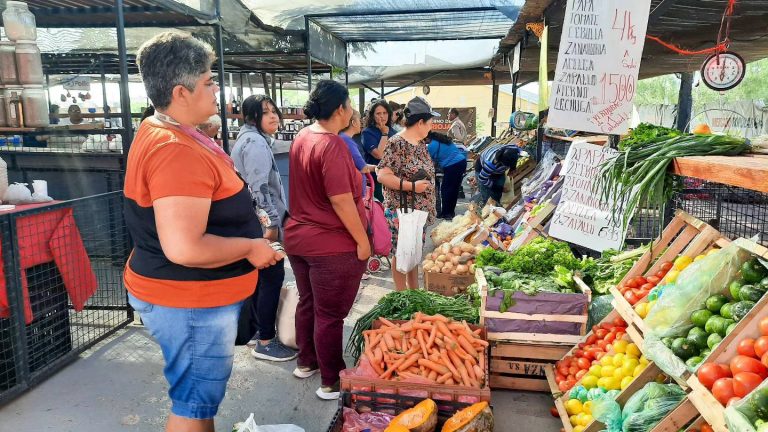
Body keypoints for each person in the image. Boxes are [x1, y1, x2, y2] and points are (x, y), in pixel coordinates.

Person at [124, 31, 283, 432]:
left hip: (186, 295)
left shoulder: (169, 129)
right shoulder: (174, 149)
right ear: (181, 92)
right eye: (210, 81)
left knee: (196, 401)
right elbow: (184, 247)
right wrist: (249, 246)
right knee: (193, 404)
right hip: (189, 299)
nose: (217, 90)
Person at [284, 80, 370, 400]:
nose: (351, 111)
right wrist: (362, 240)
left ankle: (306, 362)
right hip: (329, 245)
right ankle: (331, 380)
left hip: (299, 239)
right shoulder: (331, 144)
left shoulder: (303, 136)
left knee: (310, 303)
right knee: (330, 314)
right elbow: (341, 200)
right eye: (349, 104)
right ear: (340, 110)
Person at [230, 95, 296, 362]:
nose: (273, 117)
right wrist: (271, 225)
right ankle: (266, 341)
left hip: (252, 222)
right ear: (251, 117)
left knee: (261, 279)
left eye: (274, 111)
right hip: (262, 224)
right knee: (272, 277)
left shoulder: (248, 138)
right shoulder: (255, 143)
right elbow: (258, 190)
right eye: (265, 113)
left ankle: (259, 331)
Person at [377, 96, 438, 291]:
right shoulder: (397, 143)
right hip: (402, 211)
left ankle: (414, 294)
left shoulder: (419, 143)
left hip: (418, 213)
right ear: (420, 122)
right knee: (402, 254)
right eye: (430, 122)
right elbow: (383, 175)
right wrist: (412, 187)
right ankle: (402, 295)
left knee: (413, 254)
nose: (431, 126)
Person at [427, 131, 467, 220]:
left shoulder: (432, 145)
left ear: (427, 138)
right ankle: (450, 212)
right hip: (461, 162)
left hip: (452, 165)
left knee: (446, 190)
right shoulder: (443, 140)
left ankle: (446, 213)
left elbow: (429, 162)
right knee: (454, 189)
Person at [361, 100, 395, 201]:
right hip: (376, 179)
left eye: (385, 113)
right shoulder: (367, 133)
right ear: (372, 115)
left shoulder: (393, 131)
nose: (382, 116)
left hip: (394, 177)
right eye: (378, 113)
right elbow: (379, 154)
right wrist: (384, 134)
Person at [340, 109, 376, 194]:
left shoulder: (342, 137)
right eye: (359, 120)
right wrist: (377, 168)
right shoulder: (347, 140)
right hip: (355, 193)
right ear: (353, 122)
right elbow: (363, 167)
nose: (361, 123)